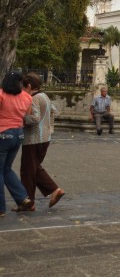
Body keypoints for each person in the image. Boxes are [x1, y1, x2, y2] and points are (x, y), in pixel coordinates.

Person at [20, 73, 64, 209]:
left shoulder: (33, 98)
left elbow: (35, 118)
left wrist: (22, 118)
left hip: (33, 138)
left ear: (28, 86)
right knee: (33, 168)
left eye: (23, 86)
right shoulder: (45, 96)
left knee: (28, 171)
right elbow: (54, 111)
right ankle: (30, 201)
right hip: (45, 137)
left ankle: (52, 191)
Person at [0, 71, 34, 215]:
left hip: (3, 133)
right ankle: (22, 198)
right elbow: (28, 114)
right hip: (18, 134)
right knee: (6, 168)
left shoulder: (1, 94)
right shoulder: (26, 97)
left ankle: (1, 208)